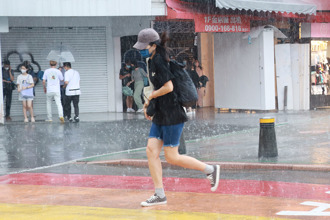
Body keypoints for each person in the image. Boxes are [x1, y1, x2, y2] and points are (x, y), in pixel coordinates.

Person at [133, 28, 220, 207]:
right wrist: (150, 103)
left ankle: (210, 169)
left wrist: (150, 97)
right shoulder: (153, 58)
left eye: (144, 46)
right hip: (161, 113)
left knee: (172, 157)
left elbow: (168, 87)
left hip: (172, 114)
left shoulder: (159, 60)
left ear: (152, 45)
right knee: (151, 151)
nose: (141, 49)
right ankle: (159, 194)